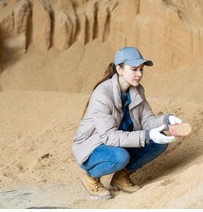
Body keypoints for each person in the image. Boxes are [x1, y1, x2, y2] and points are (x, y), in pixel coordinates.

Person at [72, 46, 183, 200]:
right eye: (134, 69)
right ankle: (90, 178)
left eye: (141, 70)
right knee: (120, 156)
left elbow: (147, 120)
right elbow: (109, 137)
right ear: (119, 69)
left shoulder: (137, 90)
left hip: (120, 142)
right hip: (94, 147)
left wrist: (166, 120)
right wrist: (147, 135)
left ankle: (121, 177)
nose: (139, 74)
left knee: (159, 142)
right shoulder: (102, 94)